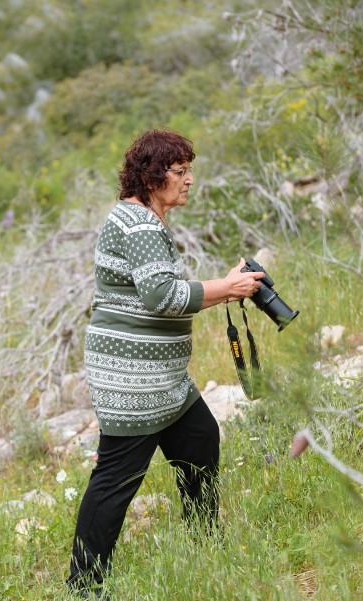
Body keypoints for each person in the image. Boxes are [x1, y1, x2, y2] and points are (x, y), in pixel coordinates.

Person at [67, 129, 265, 596]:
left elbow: (157, 288)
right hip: (134, 385)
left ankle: (203, 547)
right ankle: (84, 586)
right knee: (115, 482)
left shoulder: (142, 221)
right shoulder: (137, 224)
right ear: (153, 176)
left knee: (199, 439)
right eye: (180, 172)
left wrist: (220, 288)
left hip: (164, 383)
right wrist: (226, 288)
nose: (190, 180)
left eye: (189, 170)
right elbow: (162, 296)